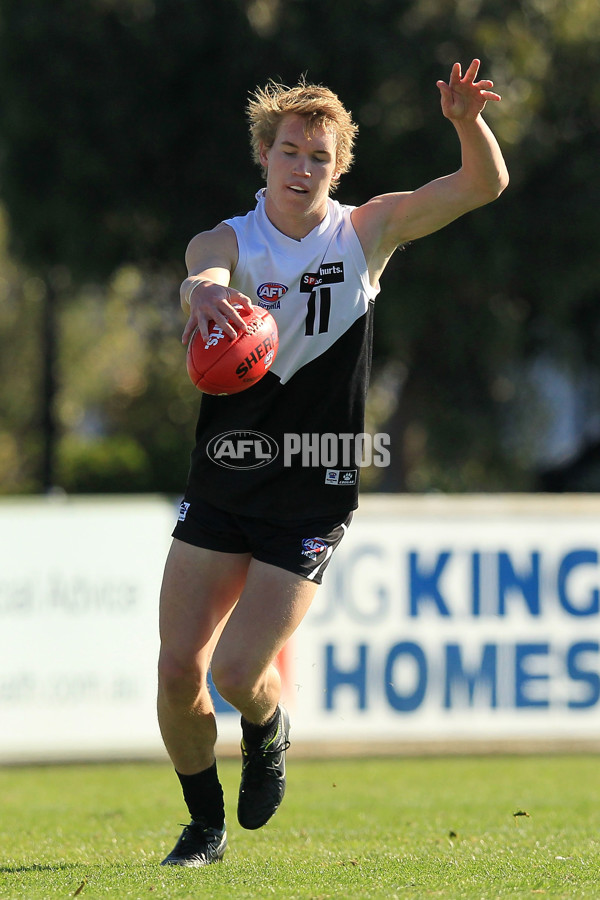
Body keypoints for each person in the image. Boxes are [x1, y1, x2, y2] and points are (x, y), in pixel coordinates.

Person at [158, 58, 509, 867]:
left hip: (314, 490)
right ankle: (202, 825)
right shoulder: (225, 241)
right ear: (264, 156)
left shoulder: (364, 232)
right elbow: (202, 273)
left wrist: (466, 122)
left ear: (338, 167)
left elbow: (481, 186)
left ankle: (269, 729)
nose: (302, 168)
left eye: (319, 156)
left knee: (243, 674)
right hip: (223, 478)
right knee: (180, 670)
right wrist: (204, 293)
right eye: (289, 151)